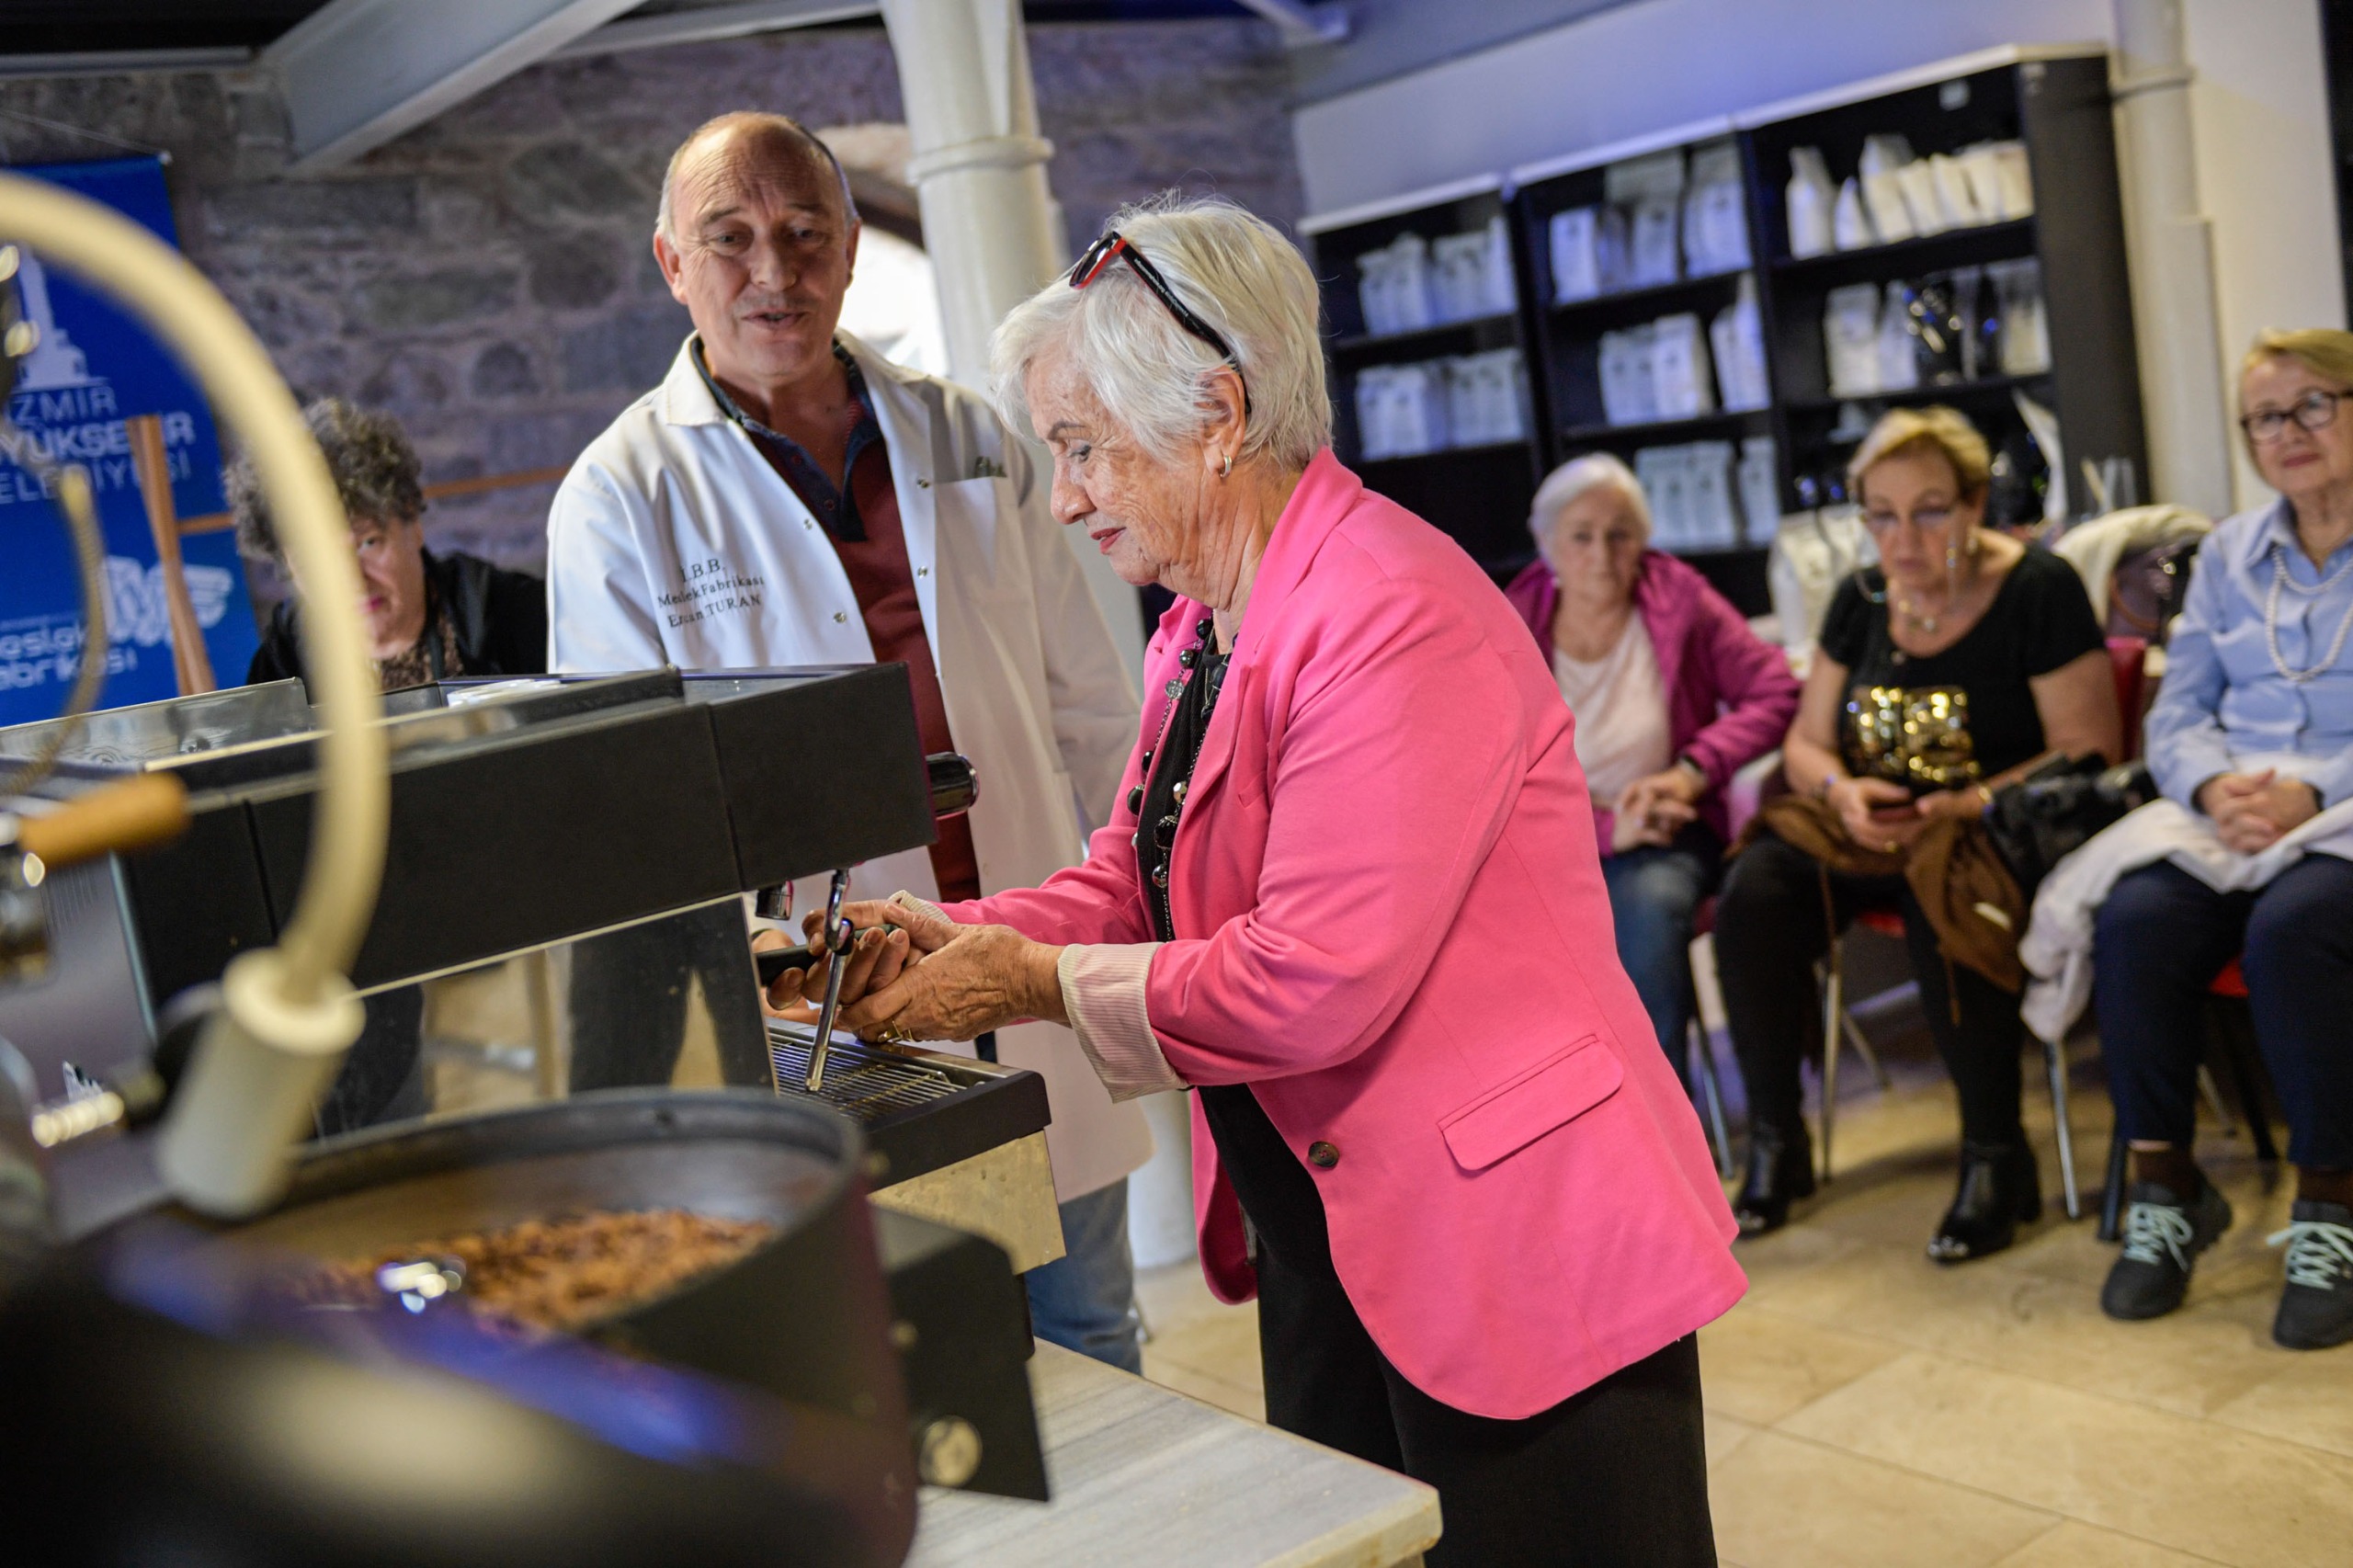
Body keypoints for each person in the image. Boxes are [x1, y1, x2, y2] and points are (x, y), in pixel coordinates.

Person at [771, 197, 1741, 1568]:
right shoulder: (1205, 621)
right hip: (1342, 1230)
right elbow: (1134, 879)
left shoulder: (1389, 609)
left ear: (1218, 414)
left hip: (1513, 1236)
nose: (1067, 496)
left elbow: (1314, 975)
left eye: (1085, 446)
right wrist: (940, 937)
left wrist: (1027, 981)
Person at [543, 112, 1151, 1373]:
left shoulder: (970, 433)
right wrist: (751, 963)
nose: (774, 270)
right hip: (830, 998)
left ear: (853, 244)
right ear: (671, 262)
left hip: (1027, 943)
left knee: (1090, 1323)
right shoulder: (621, 495)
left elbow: (1094, 707)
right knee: (913, 1360)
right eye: (731, 238)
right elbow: (626, 813)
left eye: (806, 232)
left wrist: (1139, 912)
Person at [1713, 405, 2120, 1256]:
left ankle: (1996, 1157)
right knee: (1755, 890)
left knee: (1945, 893)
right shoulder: (1858, 599)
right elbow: (1806, 742)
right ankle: (1778, 1143)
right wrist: (1841, 791)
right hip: (1872, 825)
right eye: (1882, 515)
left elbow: (2089, 747)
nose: (1902, 538)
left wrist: (1970, 802)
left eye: (1929, 511)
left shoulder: (2037, 590)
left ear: (1974, 505)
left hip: (1989, 827)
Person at [2092, 328, 2353, 1349]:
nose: (2287, 432)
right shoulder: (2229, 556)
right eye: (2264, 417)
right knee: (2135, 920)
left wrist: (2310, 790)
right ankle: (2167, 1188)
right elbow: (2178, 710)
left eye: (2312, 405)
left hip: (2344, 808)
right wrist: (2213, 785)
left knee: (2293, 931)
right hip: (2235, 807)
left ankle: (2331, 1204)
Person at [1505, 454, 1799, 1086]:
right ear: (1545, 542)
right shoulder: (1509, 623)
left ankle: (1664, 1117)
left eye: (1620, 535)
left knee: (1643, 912)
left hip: (1667, 830)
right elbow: (1492, 771)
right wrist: (1608, 830)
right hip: (1551, 843)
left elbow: (1776, 689)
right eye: (1581, 536)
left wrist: (1693, 770)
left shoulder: (1681, 601)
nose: (1602, 555)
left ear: (1643, 538)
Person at [233, 397, 546, 691]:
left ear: (413, 523)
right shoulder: (282, 667)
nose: (353, 582)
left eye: (367, 543)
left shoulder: (514, 617)